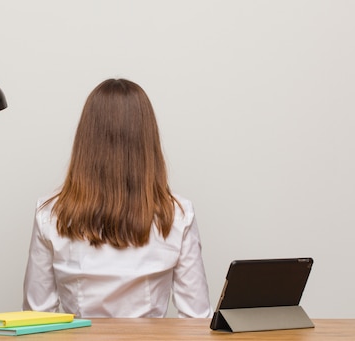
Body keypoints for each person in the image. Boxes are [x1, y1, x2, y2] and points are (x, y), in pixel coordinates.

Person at [22, 78, 213, 318]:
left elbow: (37, 316)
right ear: (147, 139)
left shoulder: (50, 213)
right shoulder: (178, 213)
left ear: (86, 138)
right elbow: (196, 318)